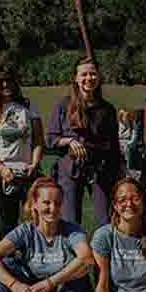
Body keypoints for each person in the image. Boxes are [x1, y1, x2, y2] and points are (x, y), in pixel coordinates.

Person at [46, 57, 121, 229]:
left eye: (93, 74)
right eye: (84, 74)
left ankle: (103, 254)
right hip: (70, 169)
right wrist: (69, 141)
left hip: (101, 169)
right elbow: (51, 139)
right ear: (76, 78)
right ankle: (74, 255)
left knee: (105, 220)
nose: (89, 78)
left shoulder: (107, 109)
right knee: (70, 219)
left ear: (99, 77)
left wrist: (118, 170)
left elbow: (114, 144)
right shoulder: (63, 105)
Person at [0, 65, 44, 240]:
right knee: (8, 219)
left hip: (28, 170)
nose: (6, 85)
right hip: (1, 172)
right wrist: (1, 169)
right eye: (1, 82)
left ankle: (36, 255)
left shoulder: (28, 106)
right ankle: (7, 260)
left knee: (37, 216)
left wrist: (35, 163)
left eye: (9, 81)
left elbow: (38, 140)